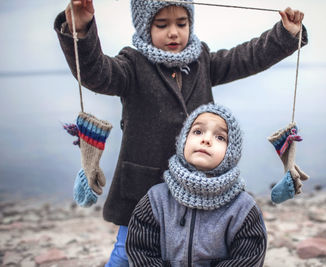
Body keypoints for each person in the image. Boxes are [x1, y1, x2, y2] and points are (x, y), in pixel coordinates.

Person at [54, 0, 307, 265]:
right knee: (127, 253)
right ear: (144, 27)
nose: (173, 32)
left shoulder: (202, 61)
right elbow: (97, 73)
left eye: (181, 23)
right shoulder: (132, 64)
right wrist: (80, 30)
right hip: (141, 189)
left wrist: (285, 34)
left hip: (193, 188)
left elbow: (245, 58)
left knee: (185, 252)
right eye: (162, 25)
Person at [126, 103, 267, 266]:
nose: (206, 139)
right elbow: (140, 251)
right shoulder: (156, 199)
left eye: (220, 137)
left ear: (232, 152)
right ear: (183, 140)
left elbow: (247, 258)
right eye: (198, 131)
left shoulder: (243, 208)